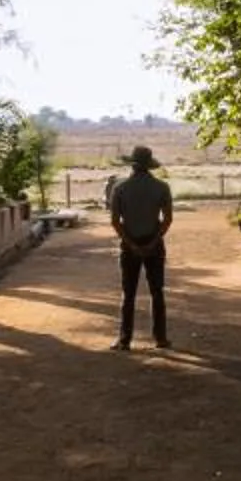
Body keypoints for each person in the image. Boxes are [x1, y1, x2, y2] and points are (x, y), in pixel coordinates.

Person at [105, 145, 174, 350]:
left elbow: (115, 222)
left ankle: (125, 339)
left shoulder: (120, 188)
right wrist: (153, 242)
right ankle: (160, 338)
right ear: (149, 166)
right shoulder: (162, 187)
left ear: (132, 165)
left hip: (129, 244)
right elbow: (167, 219)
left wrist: (131, 244)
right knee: (157, 292)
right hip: (154, 242)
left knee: (129, 294)